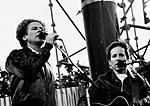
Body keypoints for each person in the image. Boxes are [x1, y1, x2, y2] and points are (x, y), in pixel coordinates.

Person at [78, 40, 150, 106]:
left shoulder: (138, 81)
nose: (118, 58)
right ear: (110, 63)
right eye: (114, 56)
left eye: (121, 55)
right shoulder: (103, 81)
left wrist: (141, 103)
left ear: (127, 59)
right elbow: (84, 99)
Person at [5, 19, 57, 106]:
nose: (40, 30)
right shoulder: (15, 55)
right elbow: (28, 71)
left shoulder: (46, 64)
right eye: (34, 28)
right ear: (24, 37)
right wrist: (47, 47)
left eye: (41, 29)